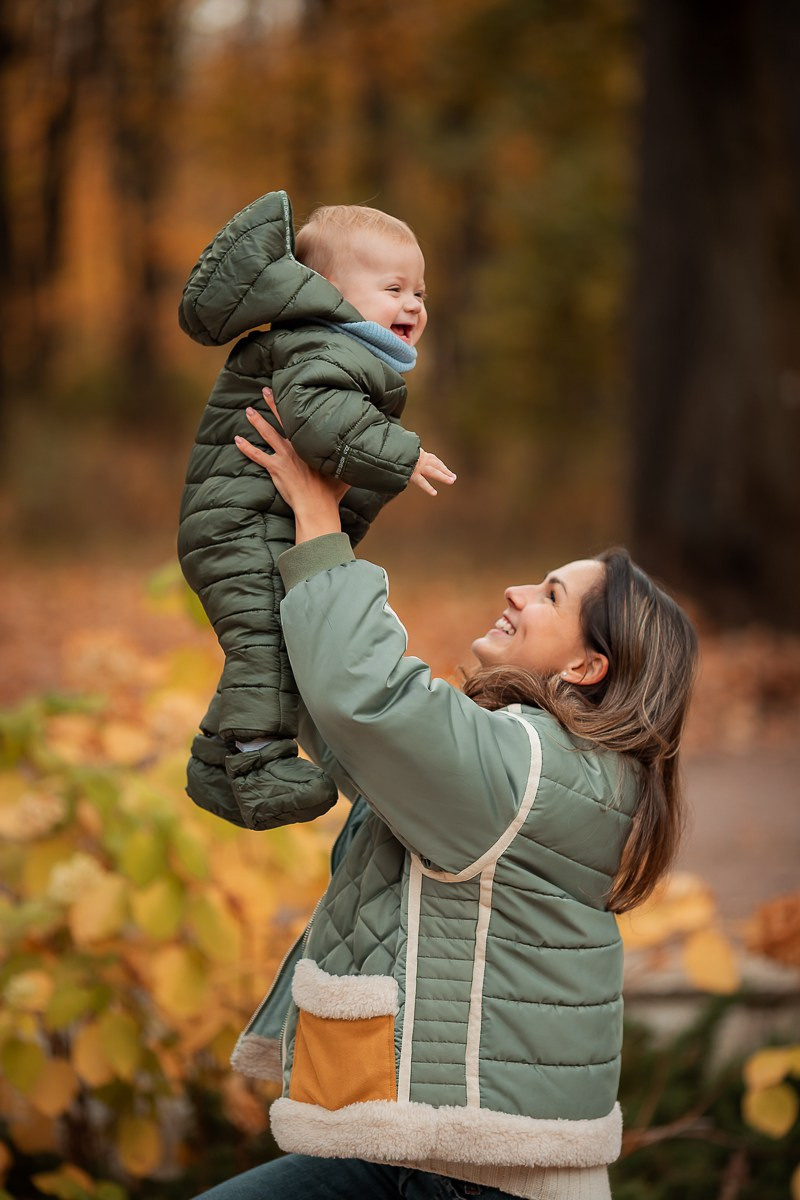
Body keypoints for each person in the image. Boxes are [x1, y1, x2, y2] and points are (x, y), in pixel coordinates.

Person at [191, 395, 698, 1200]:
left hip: (483, 1177)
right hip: (426, 1150)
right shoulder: (543, 765)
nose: (517, 591)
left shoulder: (530, 774)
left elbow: (372, 699)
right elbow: (348, 720)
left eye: (551, 597)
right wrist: (285, 539)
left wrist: (323, 522)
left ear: (587, 668)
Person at [177, 190, 455, 833]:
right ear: (325, 289)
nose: (413, 303)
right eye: (394, 287)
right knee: (267, 644)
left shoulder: (336, 348)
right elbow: (319, 419)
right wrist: (401, 454)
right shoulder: (320, 347)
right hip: (241, 523)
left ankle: (217, 764)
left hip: (251, 517)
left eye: (420, 292)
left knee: (275, 637)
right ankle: (259, 763)